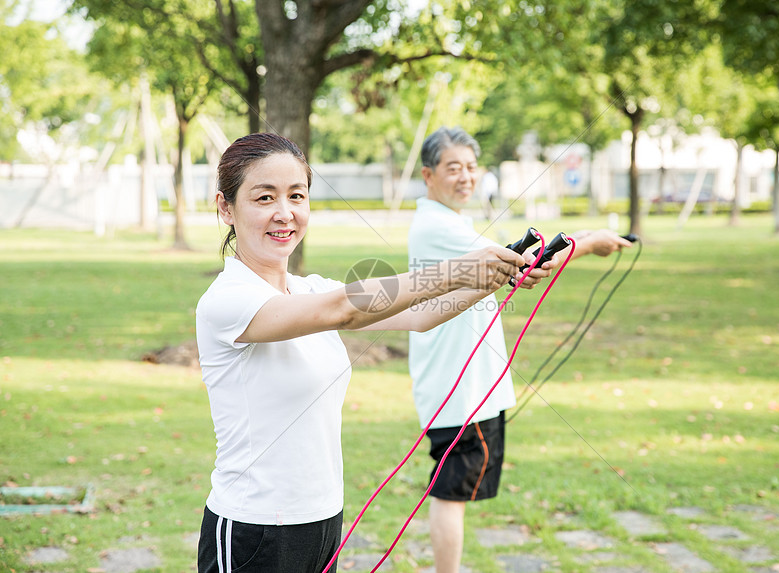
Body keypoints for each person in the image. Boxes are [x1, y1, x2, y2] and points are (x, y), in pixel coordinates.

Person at [194, 132, 552, 573]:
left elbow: (419, 315)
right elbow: (345, 308)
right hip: (254, 527)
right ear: (226, 208)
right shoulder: (227, 300)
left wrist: (495, 275)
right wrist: (461, 266)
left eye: (297, 196)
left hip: (321, 517)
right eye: (264, 197)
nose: (284, 213)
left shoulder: (310, 289)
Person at [408, 126, 632, 573]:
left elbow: (511, 264)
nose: (465, 177)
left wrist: (578, 238)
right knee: (451, 492)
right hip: (460, 388)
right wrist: (589, 242)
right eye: (454, 168)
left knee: (455, 490)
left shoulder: (450, 223)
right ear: (429, 175)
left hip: (464, 386)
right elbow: (518, 265)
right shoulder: (436, 226)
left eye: (472, 167)